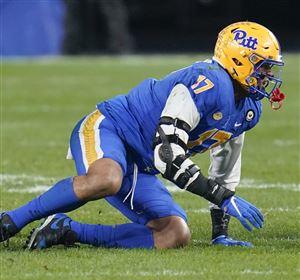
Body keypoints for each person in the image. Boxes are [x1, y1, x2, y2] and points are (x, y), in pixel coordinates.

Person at [0, 21, 285, 250]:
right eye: (262, 66)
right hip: (111, 127)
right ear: (239, 59)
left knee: (176, 233)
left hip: (142, 163)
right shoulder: (209, 82)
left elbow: (225, 167)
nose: (267, 76)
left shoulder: (247, 109)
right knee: (106, 179)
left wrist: (220, 232)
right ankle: (10, 221)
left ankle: (65, 230)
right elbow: (168, 154)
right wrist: (220, 196)